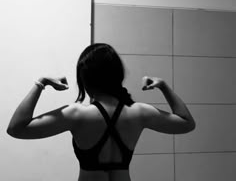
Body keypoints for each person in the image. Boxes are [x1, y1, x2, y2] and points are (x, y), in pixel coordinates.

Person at [7, 43, 196, 181]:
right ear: (117, 76)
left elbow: (16, 128)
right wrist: (163, 86)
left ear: (85, 79)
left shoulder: (77, 115)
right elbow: (187, 123)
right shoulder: (140, 112)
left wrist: (42, 83)